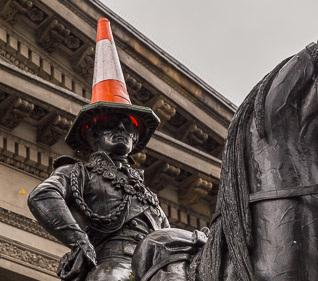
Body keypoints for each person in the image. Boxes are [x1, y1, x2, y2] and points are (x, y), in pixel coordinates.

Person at [28, 18, 203, 281]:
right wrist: (78, 240)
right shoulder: (77, 172)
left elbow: (165, 236)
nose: (122, 129)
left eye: (129, 126)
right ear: (93, 134)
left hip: (156, 265)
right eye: (112, 123)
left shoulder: (147, 195)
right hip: (113, 262)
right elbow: (42, 196)